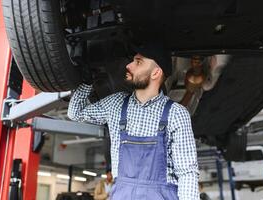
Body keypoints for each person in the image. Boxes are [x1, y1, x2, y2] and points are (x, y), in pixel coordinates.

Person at [68, 42, 199, 200]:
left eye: (138, 62)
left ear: (155, 73)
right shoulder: (116, 104)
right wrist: (86, 82)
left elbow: (187, 172)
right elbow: (75, 113)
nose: (129, 65)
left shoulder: (176, 113)